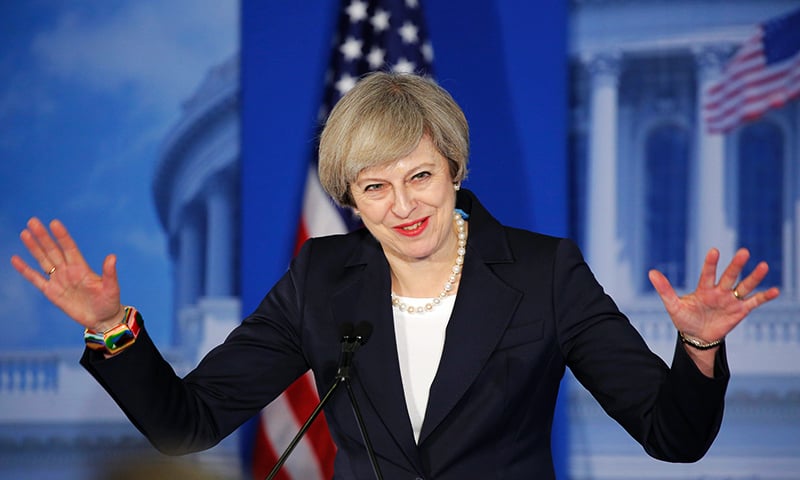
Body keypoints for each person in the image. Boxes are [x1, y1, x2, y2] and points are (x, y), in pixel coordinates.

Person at [11, 72, 780, 480]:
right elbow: (187, 426)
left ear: (454, 166)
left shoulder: (546, 272)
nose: (403, 205)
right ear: (350, 198)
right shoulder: (320, 276)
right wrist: (110, 328)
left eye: (419, 175)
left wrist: (699, 350)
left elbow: (673, 438)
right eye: (375, 186)